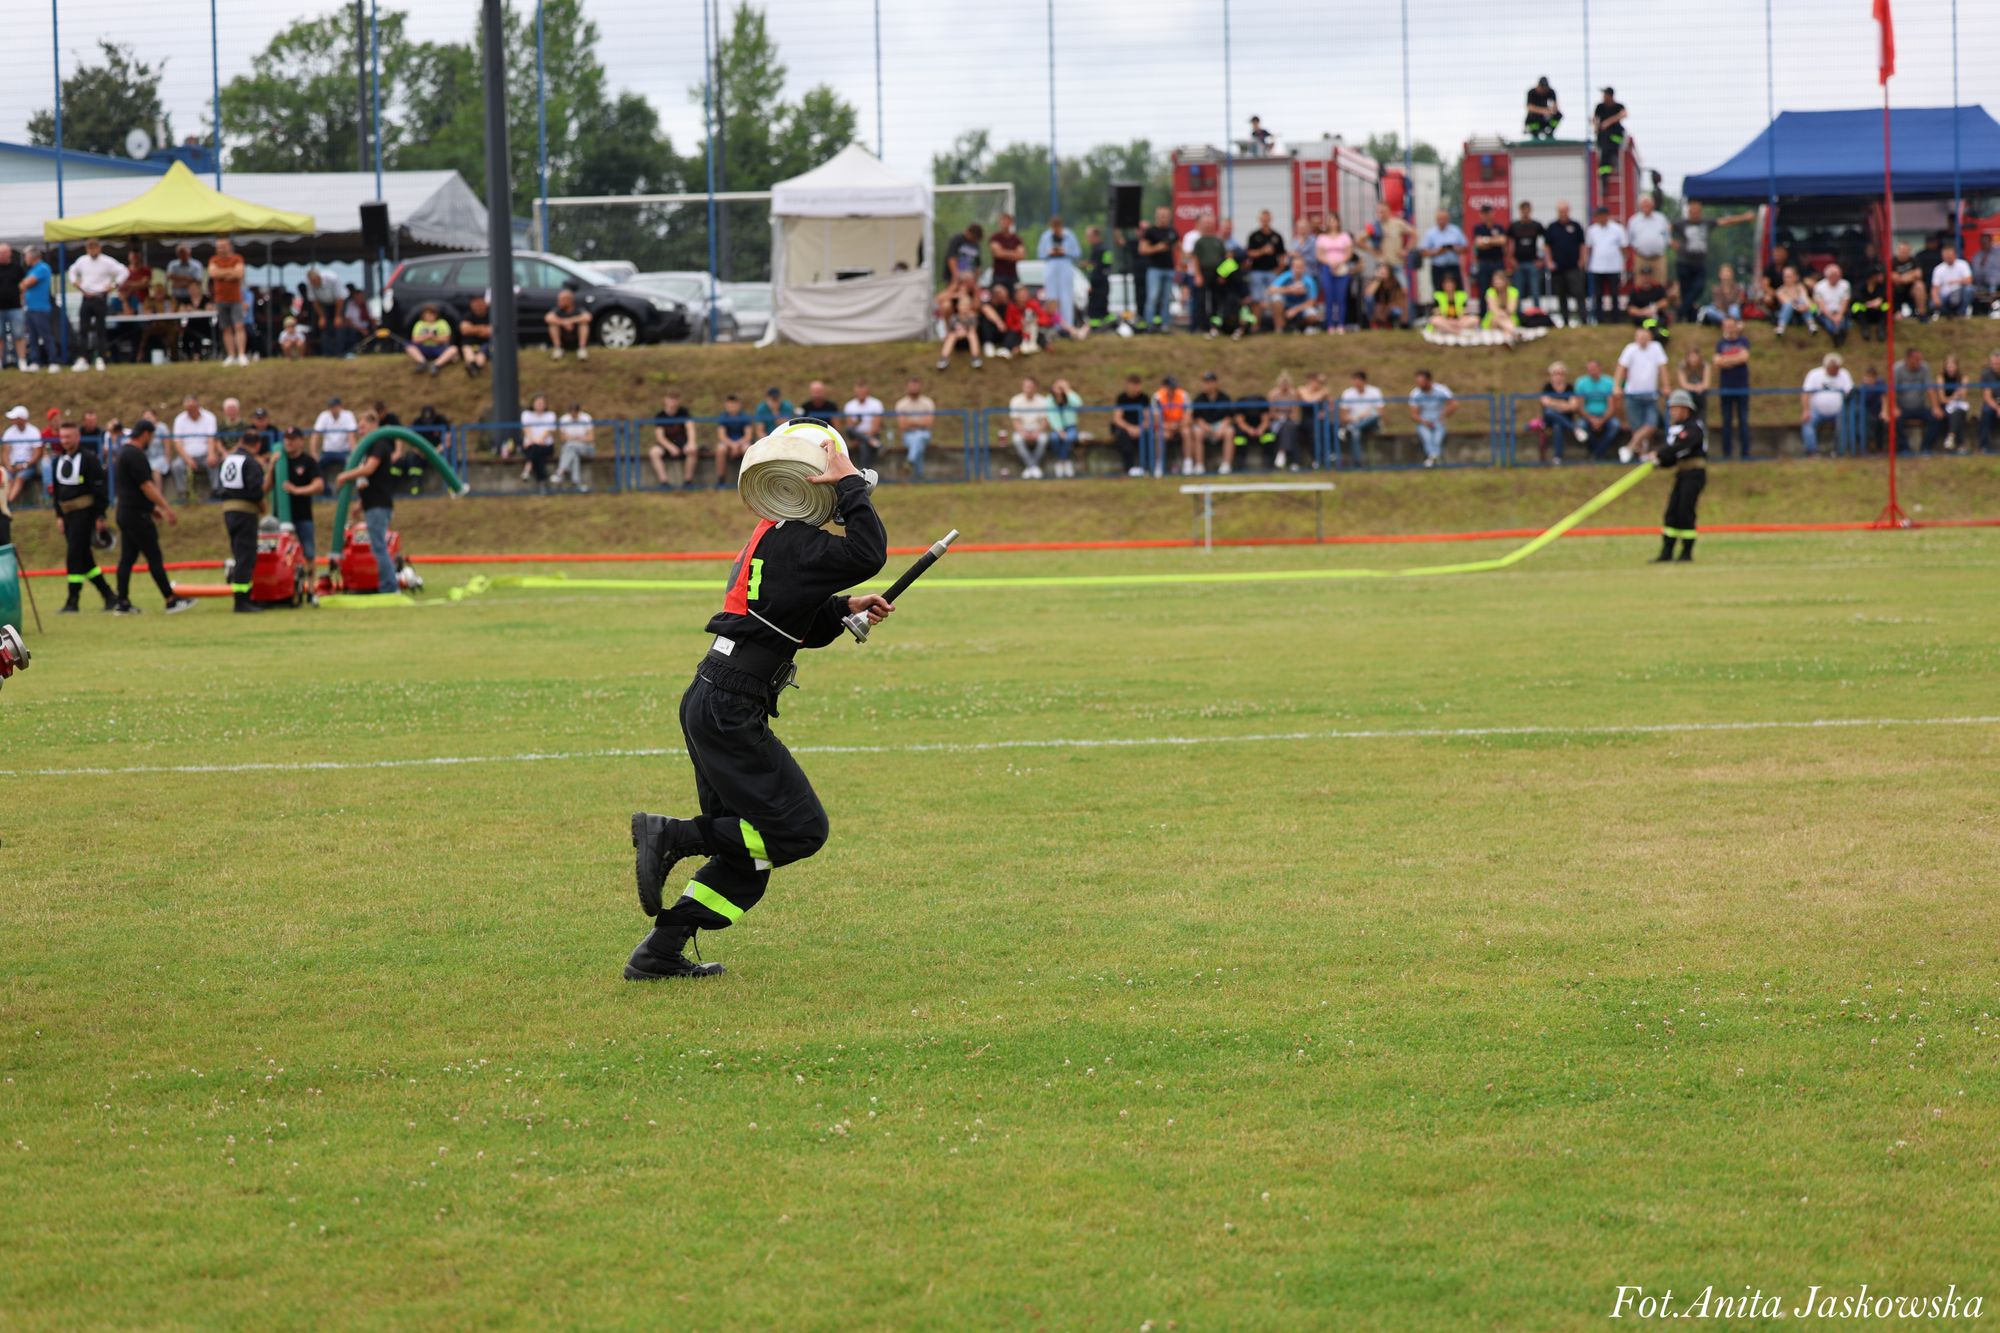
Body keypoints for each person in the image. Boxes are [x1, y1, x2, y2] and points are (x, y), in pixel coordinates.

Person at [623, 421, 890, 980]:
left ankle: (659, 952)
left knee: (750, 854)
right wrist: (851, 487)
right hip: (730, 706)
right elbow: (870, 551)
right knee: (799, 831)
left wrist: (843, 609)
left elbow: (799, 622)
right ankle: (675, 835)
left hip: (715, 698)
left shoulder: (776, 536)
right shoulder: (798, 539)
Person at [110, 422, 194, 614]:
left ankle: (122, 602)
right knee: (154, 556)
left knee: (127, 558)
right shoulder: (135, 455)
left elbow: (130, 488)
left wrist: (150, 508)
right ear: (145, 434)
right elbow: (146, 486)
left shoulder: (124, 452)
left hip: (125, 511)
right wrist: (165, 508)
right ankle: (170, 599)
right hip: (136, 515)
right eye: (152, 437)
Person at [48, 421, 118, 613]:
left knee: (74, 556)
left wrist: (100, 515)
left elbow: (99, 489)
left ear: (77, 438)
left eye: (68, 437)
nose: (65, 441)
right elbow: (57, 491)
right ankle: (109, 596)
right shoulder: (58, 461)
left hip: (84, 513)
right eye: (62, 437)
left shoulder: (89, 459)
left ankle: (73, 600)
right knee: (86, 560)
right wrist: (59, 515)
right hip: (67, 515)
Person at [335, 423, 401, 594]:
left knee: (379, 546)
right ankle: (387, 584)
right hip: (373, 503)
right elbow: (370, 481)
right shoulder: (370, 448)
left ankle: (389, 586)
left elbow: (369, 469)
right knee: (377, 546)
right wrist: (360, 504)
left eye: (364, 426)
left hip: (379, 504)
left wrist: (345, 476)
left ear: (374, 425)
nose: (360, 431)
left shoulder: (378, 445)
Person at [213, 417, 271, 613]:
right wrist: (262, 504)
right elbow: (255, 491)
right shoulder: (250, 462)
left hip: (228, 512)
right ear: (257, 445)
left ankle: (242, 598)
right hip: (245, 512)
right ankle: (242, 601)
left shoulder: (228, 460)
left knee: (239, 554)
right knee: (246, 557)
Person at [1648, 390, 1707, 563]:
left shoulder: (1693, 427)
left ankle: (1686, 552)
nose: (1672, 412)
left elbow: (1681, 446)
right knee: (1671, 512)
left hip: (1694, 474)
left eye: (1675, 408)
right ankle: (1667, 551)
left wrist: (1660, 453)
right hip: (1682, 474)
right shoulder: (1677, 429)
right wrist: (1661, 461)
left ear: (1685, 409)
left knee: (1685, 512)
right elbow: (1674, 455)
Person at [66, 238, 128, 372]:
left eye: (95, 248)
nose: (92, 251)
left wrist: (113, 285)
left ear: (99, 248)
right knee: (83, 329)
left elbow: (123, 271)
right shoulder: (82, 261)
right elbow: (72, 271)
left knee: (100, 330)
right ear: (87, 249)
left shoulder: (107, 261)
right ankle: (83, 359)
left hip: (100, 298)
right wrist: (75, 283)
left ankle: (101, 358)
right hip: (86, 297)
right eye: (90, 248)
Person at [1615, 322, 1670, 457]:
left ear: (1650, 337)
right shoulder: (1630, 349)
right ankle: (1642, 454)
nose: (1642, 340)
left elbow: (1662, 368)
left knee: (1651, 425)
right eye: (1640, 337)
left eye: (1645, 337)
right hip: (1632, 395)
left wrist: (1666, 385)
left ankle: (1629, 448)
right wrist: (1616, 386)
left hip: (1650, 395)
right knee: (1637, 428)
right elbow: (1621, 368)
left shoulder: (1656, 348)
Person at [278, 427, 321, 590]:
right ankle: (285, 587)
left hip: (303, 515)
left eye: (293, 438)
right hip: (281, 517)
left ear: (301, 441)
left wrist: (297, 490)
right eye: (286, 438)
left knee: (309, 553)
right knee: (282, 554)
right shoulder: (280, 461)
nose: (289, 441)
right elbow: (266, 487)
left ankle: (311, 588)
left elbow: (319, 485)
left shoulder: (308, 461)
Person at [1792, 352, 1851, 459]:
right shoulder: (1814, 374)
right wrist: (1806, 410)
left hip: (1839, 411)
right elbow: (1806, 393)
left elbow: (1849, 392)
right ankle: (1812, 452)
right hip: (1817, 411)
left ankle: (1839, 451)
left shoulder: (1844, 374)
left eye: (1837, 368)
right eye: (1833, 368)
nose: (1835, 370)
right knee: (1808, 422)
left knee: (1844, 423)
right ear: (1826, 366)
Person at [1712, 318, 1753, 459]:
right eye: (1726, 326)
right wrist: (1735, 359)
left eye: (1731, 326)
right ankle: (1727, 454)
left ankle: (1745, 454)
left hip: (1742, 388)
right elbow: (1717, 362)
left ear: (1736, 327)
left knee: (1743, 421)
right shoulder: (1720, 343)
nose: (1728, 328)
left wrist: (1726, 360)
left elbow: (1745, 358)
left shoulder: (1744, 341)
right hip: (1725, 388)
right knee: (1726, 421)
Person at [1888, 347, 1942, 454]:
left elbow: (1930, 389)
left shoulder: (1925, 368)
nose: (1919, 362)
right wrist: (1894, 407)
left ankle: (1926, 447)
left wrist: (1935, 407)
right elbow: (1891, 391)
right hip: (1902, 408)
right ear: (1908, 359)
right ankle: (1904, 448)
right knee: (1894, 420)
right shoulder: (1897, 369)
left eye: (1920, 359)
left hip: (1920, 407)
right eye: (1916, 360)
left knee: (1936, 417)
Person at [1543, 201, 1587, 327]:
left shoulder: (1576, 226)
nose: (1563, 213)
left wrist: (1582, 260)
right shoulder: (1552, 227)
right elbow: (1547, 246)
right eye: (1560, 211)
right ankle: (1565, 321)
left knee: (1579, 293)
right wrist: (1549, 261)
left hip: (1574, 267)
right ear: (1557, 212)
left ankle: (1583, 320)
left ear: (1568, 211)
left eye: (1565, 210)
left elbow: (1582, 244)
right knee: (1561, 295)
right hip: (1558, 268)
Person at [207, 238, 249, 366]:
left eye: (223, 246)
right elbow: (213, 273)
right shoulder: (213, 260)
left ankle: (241, 354)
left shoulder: (237, 258)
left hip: (236, 299)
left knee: (239, 326)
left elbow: (239, 274)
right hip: (220, 299)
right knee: (226, 328)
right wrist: (230, 272)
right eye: (219, 247)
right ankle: (231, 355)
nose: (221, 249)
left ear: (229, 247)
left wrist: (222, 273)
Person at [170, 394, 219, 501]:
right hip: (186, 456)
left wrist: (211, 454)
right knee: (176, 466)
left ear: (198, 406)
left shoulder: (209, 417)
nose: (189, 411)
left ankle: (216, 491)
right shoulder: (180, 419)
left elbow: (211, 438)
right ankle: (183, 493)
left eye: (192, 408)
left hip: (205, 454)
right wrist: (187, 459)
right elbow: (177, 443)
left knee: (213, 462)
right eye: (187, 409)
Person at [1584, 206, 1627, 325]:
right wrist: (1587, 264)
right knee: (1598, 295)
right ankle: (1599, 319)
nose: (1600, 218)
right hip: (1597, 267)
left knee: (1614, 294)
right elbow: (1589, 248)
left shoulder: (1617, 229)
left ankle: (1616, 319)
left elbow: (1624, 248)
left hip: (1614, 267)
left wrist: (1624, 265)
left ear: (1607, 216)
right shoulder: (1592, 230)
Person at [1037, 217, 1080, 333]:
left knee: (1066, 296)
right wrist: (1049, 252)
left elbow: (1077, 252)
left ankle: (1067, 326)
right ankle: (1054, 325)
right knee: (1052, 296)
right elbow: (1040, 253)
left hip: (1065, 264)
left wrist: (1065, 251)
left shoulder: (1069, 235)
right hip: (1051, 264)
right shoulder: (1046, 236)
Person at [1138, 206, 1178, 333]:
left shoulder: (1172, 232)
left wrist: (1181, 265)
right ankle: (1149, 324)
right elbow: (1142, 249)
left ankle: (1165, 325)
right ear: (1156, 216)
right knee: (1152, 297)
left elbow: (1179, 248)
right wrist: (1157, 248)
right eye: (1161, 215)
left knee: (1166, 298)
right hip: (1154, 269)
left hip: (1169, 269)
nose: (1163, 218)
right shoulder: (1150, 232)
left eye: (1165, 216)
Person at [1407, 371, 1457, 468]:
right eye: (1417, 382)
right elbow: (1414, 414)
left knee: (1437, 439)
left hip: (1438, 421)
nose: (1419, 384)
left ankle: (1432, 459)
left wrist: (1443, 415)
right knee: (1427, 438)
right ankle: (1435, 458)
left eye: (1421, 381)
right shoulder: (1415, 393)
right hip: (1423, 422)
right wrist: (1423, 421)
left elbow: (1454, 404)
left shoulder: (1441, 390)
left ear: (1428, 381)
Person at [19, 246, 57, 373]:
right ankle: (35, 362)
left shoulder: (42, 268)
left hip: (41, 308)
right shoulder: (33, 269)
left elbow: (26, 284)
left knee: (46, 336)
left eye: (26, 256)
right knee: (32, 337)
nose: (25, 259)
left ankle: (53, 362)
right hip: (30, 308)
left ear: (32, 256)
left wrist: (22, 285)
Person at [1575, 355, 1623, 457]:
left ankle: (1598, 452)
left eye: (1594, 369)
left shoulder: (1609, 382)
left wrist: (1601, 420)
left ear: (1600, 368)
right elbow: (1580, 406)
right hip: (1588, 416)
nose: (1592, 371)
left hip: (1606, 416)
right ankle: (1595, 451)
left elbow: (1612, 406)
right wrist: (1592, 419)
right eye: (1589, 369)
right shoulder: (1581, 383)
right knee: (1581, 427)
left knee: (1615, 425)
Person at [1538, 363, 1585, 464]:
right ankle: (1575, 429)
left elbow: (1574, 406)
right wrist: (1564, 404)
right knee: (1550, 412)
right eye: (1556, 373)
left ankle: (1557, 457)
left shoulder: (1569, 387)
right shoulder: (1547, 387)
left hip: (1565, 419)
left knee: (1557, 425)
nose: (1558, 376)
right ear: (1551, 375)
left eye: (1561, 373)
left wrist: (1554, 404)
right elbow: (1545, 403)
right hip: (1549, 419)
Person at [891, 379, 936, 481]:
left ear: (920, 387)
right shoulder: (901, 404)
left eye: (916, 386)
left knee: (919, 437)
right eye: (912, 386)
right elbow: (902, 425)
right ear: (907, 387)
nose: (914, 388)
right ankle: (919, 477)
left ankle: (910, 461)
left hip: (925, 434)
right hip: (908, 435)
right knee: (917, 442)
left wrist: (910, 421)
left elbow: (929, 423)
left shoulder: (927, 402)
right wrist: (920, 422)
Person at [1338, 370, 1384, 468]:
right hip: (1355, 423)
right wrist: (1356, 418)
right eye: (1354, 381)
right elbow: (1343, 416)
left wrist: (1365, 416)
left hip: (1372, 424)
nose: (1356, 384)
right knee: (1355, 432)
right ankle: (1358, 464)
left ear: (1364, 381)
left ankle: (1351, 428)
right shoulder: (1347, 394)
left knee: (1374, 415)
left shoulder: (1374, 392)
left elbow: (1380, 413)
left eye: (1358, 381)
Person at [1189, 372, 1233, 474]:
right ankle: (1199, 465)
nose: (1206, 385)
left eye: (1209, 382)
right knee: (1197, 432)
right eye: (1205, 382)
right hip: (1204, 426)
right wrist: (1206, 428)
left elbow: (1229, 417)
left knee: (1230, 432)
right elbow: (1197, 418)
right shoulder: (1199, 399)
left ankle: (1226, 465)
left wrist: (1221, 428)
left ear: (1215, 383)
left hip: (1220, 425)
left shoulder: (1224, 398)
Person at [312, 396, 358, 494]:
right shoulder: (324, 416)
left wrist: (354, 454)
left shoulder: (348, 415)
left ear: (341, 407)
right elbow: (315, 435)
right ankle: (326, 491)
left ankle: (346, 491)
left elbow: (351, 437)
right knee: (316, 467)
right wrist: (314, 454)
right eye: (331, 407)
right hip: (327, 452)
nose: (333, 409)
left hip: (344, 452)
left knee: (351, 466)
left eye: (335, 406)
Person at [1008, 377, 1051, 479]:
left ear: (1035, 388)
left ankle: (1030, 467)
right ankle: (1033, 467)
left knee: (1043, 440)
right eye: (1026, 386)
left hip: (1037, 428)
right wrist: (1023, 432)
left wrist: (1037, 432)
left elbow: (1045, 421)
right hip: (1022, 429)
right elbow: (1015, 421)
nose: (1028, 389)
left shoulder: (1042, 401)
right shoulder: (1015, 400)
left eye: (1030, 387)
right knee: (1017, 439)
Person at [1224, 387, 1274, 474]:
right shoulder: (1241, 402)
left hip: (1259, 429)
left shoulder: (1261, 402)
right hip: (1245, 430)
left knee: (1269, 436)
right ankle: (1240, 463)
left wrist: (1260, 429)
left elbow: (1266, 419)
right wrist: (1249, 430)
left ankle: (1268, 462)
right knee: (1239, 438)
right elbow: (1239, 421)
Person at [650, 391, 695, 488]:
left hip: (682, 443)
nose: (672, 402)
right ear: (665, 400)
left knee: (692, 450)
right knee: (654, 452)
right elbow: (660, 437)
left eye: (675, 400)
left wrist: (691, 443)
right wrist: (670, 447)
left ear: (678, 401)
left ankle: (688, 481)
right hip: (666, 445)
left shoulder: (684, 412)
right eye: (670, 399)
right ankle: (664, 482)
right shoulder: (660, 415)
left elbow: (690, 428)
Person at [1108, 374, 1149, 477]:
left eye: (1137, 385)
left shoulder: (1144, 398)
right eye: (1133, 385)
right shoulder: (1122, 398)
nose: (1135, 388)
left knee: (1149, 436)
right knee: (1122, 437)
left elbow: (1148, 418)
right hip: (1125, 428)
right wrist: (1129, 428)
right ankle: (1129, 469)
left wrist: (1139, 428)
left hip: (1140, 428)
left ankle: (1146, 468)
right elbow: (1117, 418)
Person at [1244, 210, 1286, 311]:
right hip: (1256, 271)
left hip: (1272, 271)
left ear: (1270, 219)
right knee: (1256, 298)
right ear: (1260, 220)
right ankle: (1256, 326)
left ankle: (1278, 326)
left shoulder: (1277, 236)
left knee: (1276, 297)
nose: (1265, 221)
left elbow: (1282, 255)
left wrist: (1280, 269)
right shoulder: (1254, 235)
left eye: (1267, 219)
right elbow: (1249, 253)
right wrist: (1262, 251)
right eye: (1263, 219)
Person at [1267, 257, 1322, 332]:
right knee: (1275, 297)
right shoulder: (1286, 276)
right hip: (1286, 305)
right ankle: (1280, 328)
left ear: (1304, 268)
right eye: (1296, 267)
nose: (1298, 270)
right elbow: (1270, 290)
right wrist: (1290, 290)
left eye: (1300, 267)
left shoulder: (1309, 280)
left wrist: (1295, 310)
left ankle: (1301, 326)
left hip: (1301, 307)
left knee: (1312, 317)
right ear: (1292, 268)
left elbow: (1312, 301)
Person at [1419, 208, 1467, 296]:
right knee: (1438, 292)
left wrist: (1454, 248)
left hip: (1453, 266)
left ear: (1448, 219)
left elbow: (1465, 248)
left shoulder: (1455, 231)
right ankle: (1440, 309)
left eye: (1443, 219)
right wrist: (1438, 251)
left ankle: (1459, 309)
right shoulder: (1430, 233)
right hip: (1438, 267)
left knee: (1458, 291)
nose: (1441, 221)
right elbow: (1423, 252)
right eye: (1439, 219)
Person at [1625, 196, 1671, 285]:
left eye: (1648, 204)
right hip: (1641, 257)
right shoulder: (1634, 220)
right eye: (1644, 204)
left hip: (1658, 257)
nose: (1646, 207)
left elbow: (1667, 236)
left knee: (1660, 284)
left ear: (1653, 205)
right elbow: (1629, 240)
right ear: (1640, 206)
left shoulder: (1661, 218)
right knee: (1640, 284)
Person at [3, 405, 42, 508]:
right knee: (7, 479)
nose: (12, 421)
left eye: (15, 418)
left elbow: (37, 453)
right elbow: (5, 452)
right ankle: (4, 503)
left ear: (22, 419)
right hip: (13, 464)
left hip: (28, 465)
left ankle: (7, 503)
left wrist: (25, 465)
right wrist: (8, 466)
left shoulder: (34, 432)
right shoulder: (9, 432)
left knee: (20, 478)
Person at [1506, 202, 1545, 305]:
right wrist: (1511, 259)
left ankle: (1537, 314)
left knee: (1535, 291)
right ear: (1520, 211)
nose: (1525, 212)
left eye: (1527, 209)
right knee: (1518, 291)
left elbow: (1546, 243)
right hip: (1518, 263)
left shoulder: (1536, 225)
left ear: (1530, 210)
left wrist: (1542, 259)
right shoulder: (1514, 226)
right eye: (1523, 210)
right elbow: (1509, 244)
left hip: (1533, 262)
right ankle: (1518, 315)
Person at [554, 401, 597, 492]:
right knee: (574, 454)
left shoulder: (586, 418)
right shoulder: (564, 419)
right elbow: (562, 438)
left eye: (575, 413)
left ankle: (560, 472)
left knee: (570, 445)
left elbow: (591, 438)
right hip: (571, 449)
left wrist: (575, 439)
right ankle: (576, 483)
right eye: (572, 413)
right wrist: (579, 438)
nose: (574, 415)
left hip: (586, 448)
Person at [1045, 377, 1083, 478]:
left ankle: (1061, 462)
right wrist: (1059, 430)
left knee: (1069, 438)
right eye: (1057, 387)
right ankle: (1065, 462)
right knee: (1054, 439)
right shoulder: (1049, 399)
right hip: (1057, 428)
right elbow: (1051, 416)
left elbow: (1078, 404)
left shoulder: (1070, 397)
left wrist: (1068, 392)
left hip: (1071, 427)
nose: (1059, 389)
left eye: (1062, 387)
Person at [519, 393, 558, 490]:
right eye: (537, 403)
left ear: (545, 405)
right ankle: (543, 481)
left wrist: (538, 441)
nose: (540, 405)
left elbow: (547, 431)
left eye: (542, 403)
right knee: (537, 453)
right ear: (532, 404)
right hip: (530, 445)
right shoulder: (526, 414)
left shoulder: (550, 415)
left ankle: (527, 469)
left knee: (536, 450)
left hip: (546, 445)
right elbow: (526, 430)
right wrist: (534, 441)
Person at [406, 304, 459, 375]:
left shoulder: (442, 323)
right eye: (427, 314)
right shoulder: (419, 324)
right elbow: (414, 340)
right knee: (409, 346)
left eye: (431, 314)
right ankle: (422, 362)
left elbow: (446, 338)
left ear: (435, 314)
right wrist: (426, 337)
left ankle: (436, 365)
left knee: (454, 349)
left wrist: (434, 338)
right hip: (423, 348)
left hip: (439, 347)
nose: (429, 316)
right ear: (423, 315)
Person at [841, 382, 884, 470]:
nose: (860, 394)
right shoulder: (849, 405)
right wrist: (857, 422)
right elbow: (850, 426)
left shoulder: (876, 404)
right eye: (858, 392)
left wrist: (864, 437)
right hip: (856, 435)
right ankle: (873, 443)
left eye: (862, 391)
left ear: (867, 391)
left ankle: (865, 473)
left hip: (871, 435)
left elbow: (876, 426)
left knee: (863, 445)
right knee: (849, 429)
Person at [1470, 205, 1508, 304]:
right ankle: (1483, 315)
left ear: (1492, 213)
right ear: (1481, 215)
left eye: (1488, 213)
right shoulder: (1478, 228)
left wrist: (1486, 240)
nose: (1487, 216)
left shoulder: (1499, 227)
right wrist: (1494, 240)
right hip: (1484, 263)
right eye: (1484, 213)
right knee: (1483, 290)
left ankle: (1501, 310)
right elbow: (1479, 243)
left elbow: (1503, 241)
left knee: (1500, 287)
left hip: (1498, 262)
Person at [1153, 375, 1190, 475]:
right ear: (1164, 387)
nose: (1173, 390)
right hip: (1165, 426)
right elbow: (1156, 419)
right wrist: (1168, 426)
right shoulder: (1158, 397)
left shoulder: (1183, 395)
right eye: (1170, 388)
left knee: (1187, 432)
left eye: (1174, 388)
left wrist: (1177, 426)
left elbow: (1188, 417)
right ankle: (1159, 464)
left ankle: (1188, 463)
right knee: (1160, 435)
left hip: (1180, 425)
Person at [544, 287, 591, 360]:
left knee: (583, 324)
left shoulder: (578, 309)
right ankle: (558, 349)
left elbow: (588, 317)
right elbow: (548, 318)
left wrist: (570, 321)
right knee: (552, 325)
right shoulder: (558, 310)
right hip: (563, 341)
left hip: (576, 340)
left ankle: (582, 349)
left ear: (568, 301)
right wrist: (563, 322)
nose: (558, 302)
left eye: (561, 300)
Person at [1812, 264, 1852, 346]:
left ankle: (1841, 339)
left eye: (1837, 276)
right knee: (1830, 325)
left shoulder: (1845, 284)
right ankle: (1835, 338)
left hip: (1840, 312)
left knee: (1843, 325)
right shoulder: (1819, 286)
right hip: (1825, 313)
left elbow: (1845, 301)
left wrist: (1839, 315)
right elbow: (1821, 305)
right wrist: (1832, 317)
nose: (1835, 278)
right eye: (1832, 276)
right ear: (1827, 276)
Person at [1594, 87, 1628, 182]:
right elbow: (1595, 119)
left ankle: (1611, 164)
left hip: (1615, 139)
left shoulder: (1619, 106)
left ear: (1610, 96)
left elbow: (1624, 114)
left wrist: (1609, 122)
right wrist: (1596, 128)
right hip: (1604, 141)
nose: (1603, 96)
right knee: (1605, 152)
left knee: (1608, 147)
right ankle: (1605, 174)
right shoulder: (1600, 107)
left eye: (1605, 94)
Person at [1936, 354, 1970, 450]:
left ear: (1957, 366)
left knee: (1958, 412)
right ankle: (1960, 445)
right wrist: (1953, 397)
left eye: (1952, 366)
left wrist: (1959, 394)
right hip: (1945, 406)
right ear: (1945, 367)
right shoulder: (1941, 378)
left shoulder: (1963, 377)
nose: (1950, 369)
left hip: (1959, 406)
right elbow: (1942, 399)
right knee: (1956, 415)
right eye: (1948, 366)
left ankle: (1951, 437)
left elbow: (1963, 397)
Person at [1931, 244, 1974, 319]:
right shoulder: (1938, 269)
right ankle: (1946, 315)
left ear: (1955, 255)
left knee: (1969, 289)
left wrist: (1955, 281)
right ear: (1942, 256)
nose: (1948, 257)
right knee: (1932, 303)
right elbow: (1935, 287)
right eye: (1946, 256)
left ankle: (1961, 313)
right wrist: (1935, 298)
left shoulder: (1963, 264)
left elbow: (1969, 280)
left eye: (1949, 255)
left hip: (1959, 292)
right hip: (1945, 294)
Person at [1772, 265, 1816, 337]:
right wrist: (1799, 307)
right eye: (1785, 276)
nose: (1786, 279)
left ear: (1796, 277)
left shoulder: (1800, 287)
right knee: (1789, 305)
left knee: (1809, 304)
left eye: (1789, 276)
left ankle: (1811, 324)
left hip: (1802, 314)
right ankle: (1781, 327)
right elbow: (1787, 302)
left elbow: (1806, 299)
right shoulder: (1780, 291)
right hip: (1789, 315)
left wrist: (1807, 306)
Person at [1428, 271, 1476, 335]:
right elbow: (1437, 313)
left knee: (1475, 319)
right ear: (1442, 285)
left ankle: (1447, 330)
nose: (1449, 285)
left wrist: (1457, 321)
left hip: (1459, 322)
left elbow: (1465, 313)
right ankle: (1456, 332)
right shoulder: (1437, 296)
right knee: (1434, 320)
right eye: (1446, 283)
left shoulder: (1461, 295)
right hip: (1445, 321)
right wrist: (1449, 321)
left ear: (1455, 284)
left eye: (1450, 283)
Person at [0, 243, 24, 372]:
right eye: (0, 253)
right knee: (0, 336)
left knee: (19, 334)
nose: (2, 255)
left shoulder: (17, 268)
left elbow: (24, 285)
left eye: (4, 253)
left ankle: (21, 361)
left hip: (15, 307)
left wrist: (22, 299)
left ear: (10, 253)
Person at [1889, 243, 1929, 317]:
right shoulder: (1892, 262)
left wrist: (1902, 277)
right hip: (1897, 292)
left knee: (1920, 285)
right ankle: (1895, 312)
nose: (1904, 253)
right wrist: (1911, 275)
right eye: (1902, 251)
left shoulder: (1914, 260)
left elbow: (1919, 274)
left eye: (1906, 251)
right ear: (1898, 251)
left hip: (1911, 291)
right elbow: (1894, 278)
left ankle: (1922, 314)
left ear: (1909, 251)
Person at [988, 213, 1026, 291]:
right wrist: (1013, 253)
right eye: (1003, 221)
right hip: (999, 275)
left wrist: (1003, 252)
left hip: (1013, 275)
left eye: (1007, 221)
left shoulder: (1016, 239)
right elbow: (997, 253)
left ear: (1011, 223)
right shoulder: (995, 237)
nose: (1005, 223)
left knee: (1017, 295)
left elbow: (1021, 255)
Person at [458, 295, 493, 374]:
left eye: (480, 302)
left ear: (485, 303)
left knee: (483, 351)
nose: (478, 305)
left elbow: (494, 331)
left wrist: (473, 329)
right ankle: (472, 365)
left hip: (487, 345)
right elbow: (464, 330)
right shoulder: (467, 315)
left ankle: (475, 367)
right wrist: (482, 328)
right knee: (467, 348)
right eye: (475, 303)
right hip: (470, 344)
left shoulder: (493, 314)